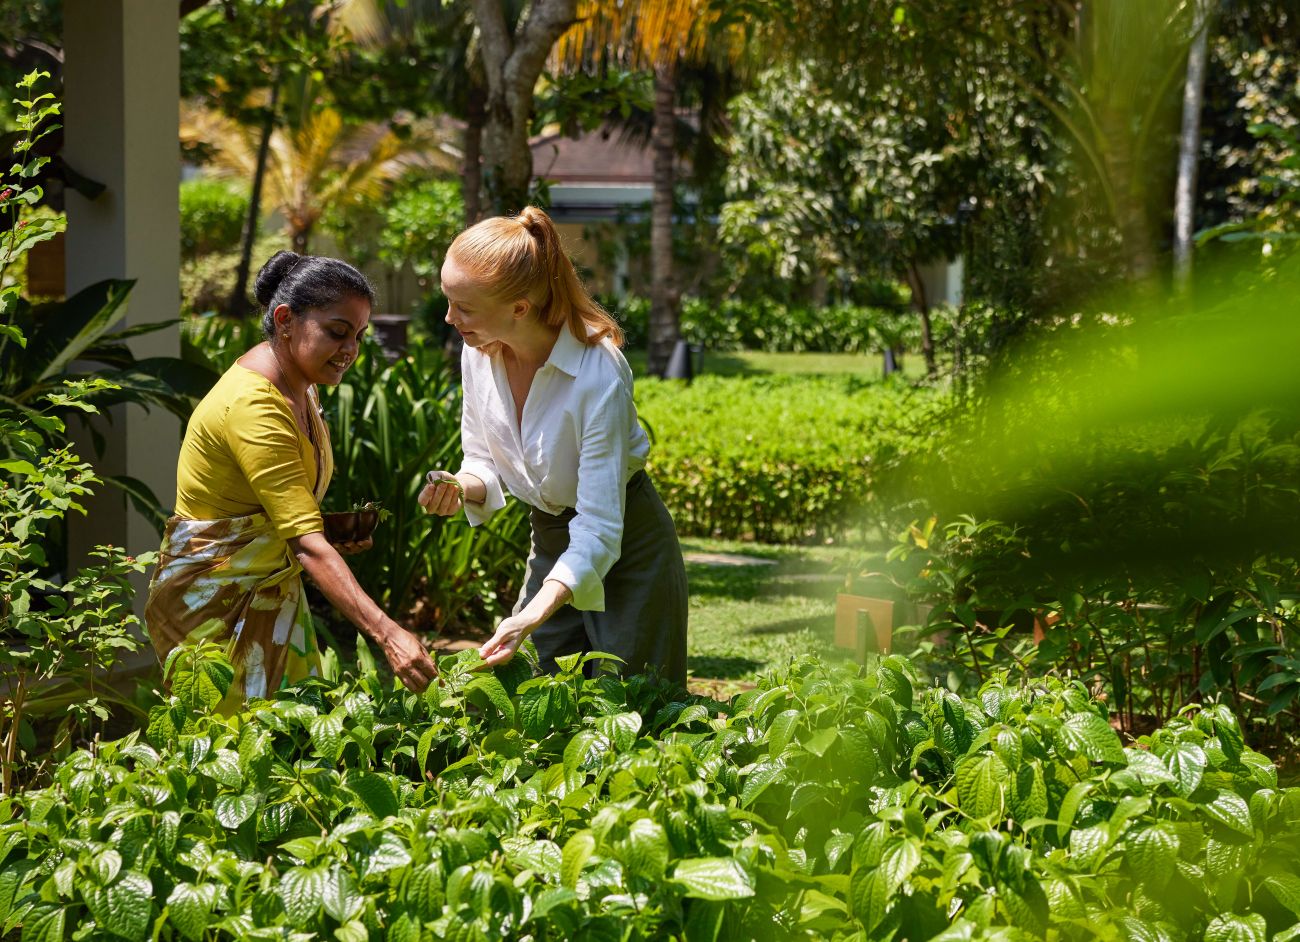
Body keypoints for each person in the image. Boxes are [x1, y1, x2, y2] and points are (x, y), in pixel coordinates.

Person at [145, 251, 437, 709]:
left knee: (291, 747)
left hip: (271, 592)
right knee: (230, 752)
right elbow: (303, 543)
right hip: (215, 607)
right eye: (337, 332)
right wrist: (387, 633)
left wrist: (325, 530)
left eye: (358, 336)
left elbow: (276, 512)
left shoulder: (300, 383)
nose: (350, 350)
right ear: (285, 320)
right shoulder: (254, 406)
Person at [419, 206, 688, 684]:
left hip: (629, 542)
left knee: (635, 705)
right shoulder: (476, 352)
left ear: (519, 308)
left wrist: (533, 612)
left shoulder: (597, 372)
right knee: (530, 690)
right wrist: (459, 487)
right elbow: (482, 459)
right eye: (448, 300)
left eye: (464, 307)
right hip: (551, 539)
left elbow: (600, 525)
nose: (449, 317)